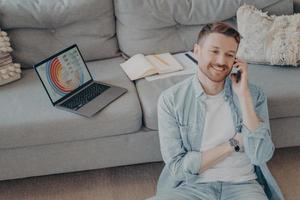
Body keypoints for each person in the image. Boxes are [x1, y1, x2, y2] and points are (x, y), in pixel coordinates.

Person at [147, 22, 284, 200]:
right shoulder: (171, 100)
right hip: (192, 186)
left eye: (229, 55)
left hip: (243, 184)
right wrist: (233, 144)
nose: (221, 61)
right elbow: (177, 168)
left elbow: (260, 155)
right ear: (197, 51)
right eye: (214, 51)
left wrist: (244, 97)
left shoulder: (253, 95)